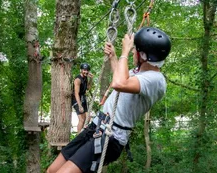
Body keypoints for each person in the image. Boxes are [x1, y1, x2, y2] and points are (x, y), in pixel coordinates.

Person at [47, 27, 171, 173]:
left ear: (143, 55)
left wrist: (125, 51)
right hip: (96, 127)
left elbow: (119, 84)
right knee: (52, 170)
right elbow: (120, 77)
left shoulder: (156, 80)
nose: (132, 52)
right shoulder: (139, 72)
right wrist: (114, 57)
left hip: (111, 136)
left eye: (134, 50)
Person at [72, 63, 93, 133]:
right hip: (76, 99)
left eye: (87, 70)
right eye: (84, 70)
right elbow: (76, 93)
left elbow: (88, 88)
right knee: (81, 119)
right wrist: (80, 105)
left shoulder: (85, 78)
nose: (86, 72)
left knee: (88, 118)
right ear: (81, 70)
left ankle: (82, 132)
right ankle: (78, 136)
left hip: (83, 98)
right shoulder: (78, 79)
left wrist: (91, 79)